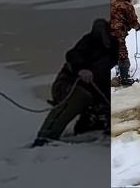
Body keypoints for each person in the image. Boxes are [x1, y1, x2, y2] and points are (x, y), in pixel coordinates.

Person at [33, 19, 116, 147]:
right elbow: (74, 54)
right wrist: (81, 69)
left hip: (98, 92)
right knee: (80, 96)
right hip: (68, 85)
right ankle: (46, 137)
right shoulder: (92, 40)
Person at [109, 0, 140, 86]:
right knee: (122, 53)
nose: (131, 0)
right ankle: (125, 78)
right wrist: (137, 27)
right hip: (117, 33)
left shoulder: (113, 4)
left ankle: (119, 72)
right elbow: (133, 21)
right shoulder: (127, 5)